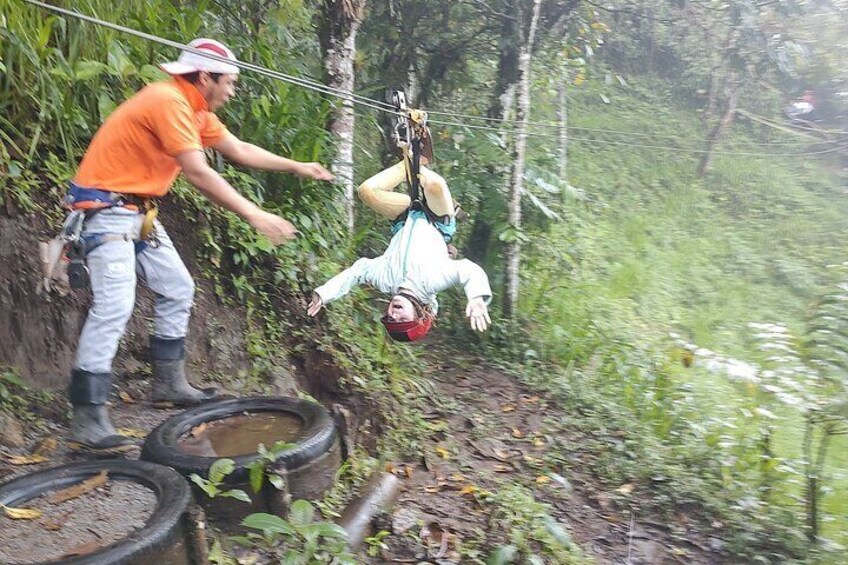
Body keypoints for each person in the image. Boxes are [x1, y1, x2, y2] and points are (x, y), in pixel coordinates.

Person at [64, 38, 334, 454]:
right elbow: (197, 172)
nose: (233, 90)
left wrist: (296, 165)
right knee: (115, 306)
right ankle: (87, 416)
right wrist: (255, 214)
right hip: (108, 210)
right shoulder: (168, 100)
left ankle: (168, 383)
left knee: (178, 288)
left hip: (140, 213)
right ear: (205, 77)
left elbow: (239, 149)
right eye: (230, 81)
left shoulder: (195, 110)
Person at [307, 157, 492, 341]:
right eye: (403, 320)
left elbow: (357, 271)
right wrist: (476, 298)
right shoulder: (432, 282)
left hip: (404, 217)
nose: (394, 315)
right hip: (437, 221)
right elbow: (469, 270)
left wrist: (324, 294)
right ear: (420, 314)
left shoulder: (384, 279)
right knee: (435, 184)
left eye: (389, 318)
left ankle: (408, 163)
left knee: (366, 191)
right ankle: (416, 164)